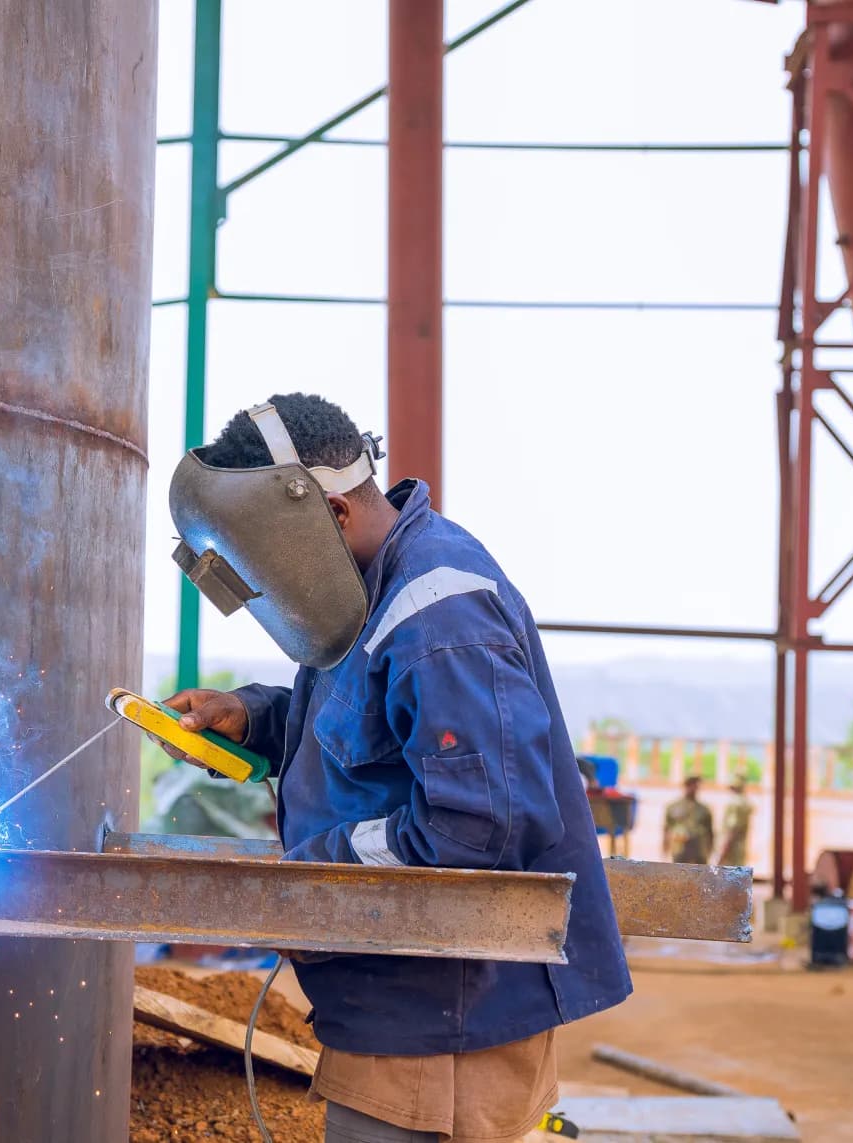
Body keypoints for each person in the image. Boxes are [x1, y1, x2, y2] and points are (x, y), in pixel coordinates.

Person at [158, 393, 632, 1143]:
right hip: (398, 1003)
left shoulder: (437, 613)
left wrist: (307, 875)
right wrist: (253, 717)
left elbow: (480, 821)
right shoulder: (369, 594)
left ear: (332, 515)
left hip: (445, 1021)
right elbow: (375, 738)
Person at [663, 774, 714, 864]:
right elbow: (667, 828)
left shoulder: (704, 809)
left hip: (699, 850)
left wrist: (710, 849)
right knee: (679, 874)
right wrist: (665, 846)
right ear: (685, 786)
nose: (693, 788)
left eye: (696, 785)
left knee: (700, 875)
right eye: (691, 784)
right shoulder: (673, 807)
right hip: (680, 849)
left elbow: (710, 831)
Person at [716, 773, 752, 868]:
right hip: (739, 851)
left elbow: (732, 829)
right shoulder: (744, 801)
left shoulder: (735, 803)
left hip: (731, 853)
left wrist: (722, 854)